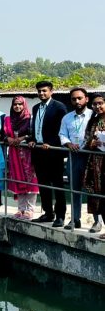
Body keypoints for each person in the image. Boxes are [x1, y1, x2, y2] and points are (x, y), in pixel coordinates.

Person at [29, 80, 68, 227]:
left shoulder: (59, 107)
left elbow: (62, 130)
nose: (41, 93)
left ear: (51, 91)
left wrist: (51, 143)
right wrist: (32, 140)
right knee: (43, 184)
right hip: (39, 151)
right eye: (39, 91)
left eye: (44, 91)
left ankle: (60, 216)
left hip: (53, 151)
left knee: (57, 185)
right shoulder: (35, 108)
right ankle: (48, 213)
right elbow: (36, 128)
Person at [59, 87, 92, 230]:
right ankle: (75, 219)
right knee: (74, 188)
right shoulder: (67, 117)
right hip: (73, 156)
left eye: (80, 98)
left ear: (86, 99)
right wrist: (68, 143)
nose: (77, 101)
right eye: (74, 99)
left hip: (90, 156)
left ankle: (97, 221)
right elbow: (62, 134)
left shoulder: (94, 115)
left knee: (93, 189)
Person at [3, 96, 39, 219]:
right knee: (18, 179)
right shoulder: (8, 119)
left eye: (20, 104)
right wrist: (8, 138)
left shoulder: (30, 119)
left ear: (24, 105)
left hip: (28, 153)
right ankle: (21, 208)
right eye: (15, 104)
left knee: (30, 180)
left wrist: (22, 138)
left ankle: (30, 209)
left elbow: (33, 134)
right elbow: (3, 135)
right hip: (14, 153)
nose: (17, 106)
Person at [83, 93, 105, 238]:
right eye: (95, 104)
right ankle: (99, 222)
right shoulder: (93, 121)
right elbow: (87, 139)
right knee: (98, 195)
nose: (97, 106)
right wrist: (91, 142)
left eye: (100, 103)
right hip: (96, 163)